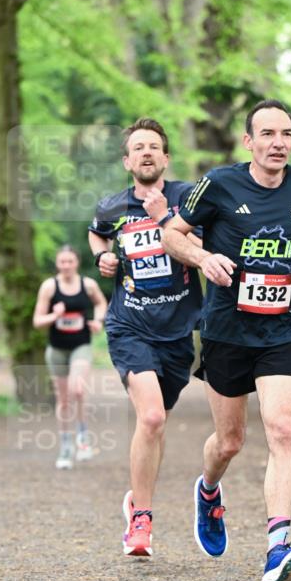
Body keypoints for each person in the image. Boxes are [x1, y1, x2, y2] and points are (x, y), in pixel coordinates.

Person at [162, 99, 291, 581]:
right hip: (226, 329)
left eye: (285, 134)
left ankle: (278, 548)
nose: (278, 143)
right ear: (249, 141)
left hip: (285, 327)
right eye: (267, 134)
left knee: (283, 428)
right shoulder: (218, 184)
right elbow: (170, 233)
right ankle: (209, 489)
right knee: (230, 442)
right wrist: (202, 257)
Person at [87, 118, 203, 558]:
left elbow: (206, 242)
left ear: (166, 158)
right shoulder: (112, 207)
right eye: (139, 148)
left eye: (154, 146)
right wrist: (103, 258)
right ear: (127, 160)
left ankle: (136, 499)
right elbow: (97, 233)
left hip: (178, 331)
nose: (147, 153)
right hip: (129, 324)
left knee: (157, 423)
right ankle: (142, 521)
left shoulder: (188, 199)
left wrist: (166, 220)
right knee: (151, 418)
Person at [33, 245, 108, 470]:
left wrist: (98, 320)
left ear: (76, 263)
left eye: (70, 261)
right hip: (56, 349)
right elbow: (37, 321)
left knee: (78, 389)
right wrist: (53, 316)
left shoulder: (88, 284)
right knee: (63, 399)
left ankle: (82, 437)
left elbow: (101, 303)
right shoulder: (49, 287)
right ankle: (66, 445)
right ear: (57, 264)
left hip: (81, 345)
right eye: (62, 262)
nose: (66, 265)